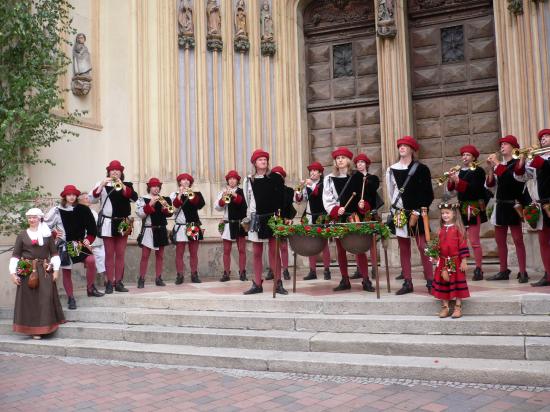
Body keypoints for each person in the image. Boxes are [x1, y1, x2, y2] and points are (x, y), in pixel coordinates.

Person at [385, 136, 434, 295]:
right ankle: (407, 282)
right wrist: (395, 210)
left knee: (423, 247)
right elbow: (391, 193)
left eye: (405, 145)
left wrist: (419, 210)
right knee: (403, 248)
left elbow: (428, 194)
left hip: (418, 212)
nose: (402, 147)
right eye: (400, 145)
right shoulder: (391, 169)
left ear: (412, 149)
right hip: (400, 214)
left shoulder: (422, 169)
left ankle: (430, 281)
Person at [323, 147, 375, 292]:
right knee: (340, 250)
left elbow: (365, 197)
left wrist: (363, 205)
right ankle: (345, 279)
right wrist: (335, 210)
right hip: (339, 217)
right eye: (337, 158)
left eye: (343, 157)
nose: (340, 160)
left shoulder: (358, 177)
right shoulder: (329, 179)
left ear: (348, 161)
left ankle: (366, 279)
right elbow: (327, 199)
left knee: (359, 248)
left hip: (355, 217)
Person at [45, 185, 103, 310]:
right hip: (65, 244)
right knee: (67, 271)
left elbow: (92, 229)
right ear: (64, 196)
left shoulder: (83, 209)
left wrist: (88, 240)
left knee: (91, 261)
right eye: (68, 194)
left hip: (78, 243)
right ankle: (71, 298)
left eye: (73, 194)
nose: (71, 197)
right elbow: (45, 226)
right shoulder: (56, 210)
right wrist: (55, 233)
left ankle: (90, 288)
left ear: (76, 196)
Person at [10, 208, 64, 339]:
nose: (32, 220)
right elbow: (16, 255)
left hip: (44, 269)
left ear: (40, 218)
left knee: (44, 298)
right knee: (30, 300)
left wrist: (56, 271)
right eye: (29, 217)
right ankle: (33, 329)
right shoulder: (22, 235)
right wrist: (13, 273)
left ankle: (44, 327)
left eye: (34, 217)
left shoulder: (47, 235)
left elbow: (54, 253)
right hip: (26, 270)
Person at [243, 149, 288, 295]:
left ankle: (278, 283)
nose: (263, 161)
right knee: (256, 252)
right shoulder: (249, 180)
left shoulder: (275, 177)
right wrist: (248, 217)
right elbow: (247, 200)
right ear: (255, 163)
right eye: (260, 159)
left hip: (272, 217)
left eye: (265, 159)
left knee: (274, 251)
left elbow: (282, 197)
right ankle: (257, 283)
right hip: (256, 217)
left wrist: (283, 216)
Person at [485, 135, 530, 283]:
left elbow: (511, 180)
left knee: (518, 239)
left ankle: (523, 272)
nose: (502, 146)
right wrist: (491, 169)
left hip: (514, 205)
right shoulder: (501, 166)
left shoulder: (517, 163)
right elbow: (491, 186)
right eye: (501, 144)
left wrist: (497, 164)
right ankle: (503, 270)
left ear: (513, 147)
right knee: (500, 240)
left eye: (505, 144)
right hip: (501, 205)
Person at [90, 160, 138, 294]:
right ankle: (109, 282)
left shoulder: (127, 185)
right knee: (109, 255)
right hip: (107, 222)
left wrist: (121, 185)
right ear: (108, 172)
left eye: (118, 170)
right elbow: (92, 199)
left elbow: (134, 198)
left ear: (121, 172)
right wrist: (101, 186)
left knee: (121, 254)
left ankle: (119, 282)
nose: (115, 172)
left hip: (124, 222)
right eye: (112, 170)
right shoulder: (102, 184)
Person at [514, 128, 550, 287]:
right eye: (541, 138)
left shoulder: (542, 159)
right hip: (542, 203)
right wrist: (522, 161)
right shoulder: (538, 159)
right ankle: (548, 274)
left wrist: (536, 158)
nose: (543, 140)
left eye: (547, 137)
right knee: (543, 240)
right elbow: (522, 176)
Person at [446, 145, 488, 281]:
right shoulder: (459, 172)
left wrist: (458, 180)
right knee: (459, 239)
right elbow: (451, 192)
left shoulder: (479, 171)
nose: (464, 157)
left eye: (468, 155)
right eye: (463, 155)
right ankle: (459, 266)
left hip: (473, 208)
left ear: (474, 157)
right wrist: (451, 179)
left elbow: (474, 190)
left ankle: (479, 268)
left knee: (474, 241)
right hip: (461, 208)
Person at [431, 203, 470, 319]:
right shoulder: (441, 230)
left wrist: (464, 260)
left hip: (456, 261)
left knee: (457, 283)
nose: (444, 215)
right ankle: (445, 307)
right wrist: (434, 254)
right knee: (443, 283)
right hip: (443, 262)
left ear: (454, 214)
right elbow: (437, 245)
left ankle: (458, 307)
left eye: (447, 213)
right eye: (443, 213)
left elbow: (463, 245)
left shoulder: (458, 229)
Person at [295, 161, 331, 280]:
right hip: (310, 216)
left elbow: (318, 193)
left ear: (320, 173)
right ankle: (312, 271)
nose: (312, 173)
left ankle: (327, 270)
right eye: (311, 171)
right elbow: (300, 200)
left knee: (324, 243)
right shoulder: (308, 185)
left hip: (321, 216)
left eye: (315, 171)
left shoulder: (324, 183)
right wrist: (299, 190)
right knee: (311, 243)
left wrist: (310, 185)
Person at [136, 178, 173, 288]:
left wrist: (166, 207)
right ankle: (141, 279)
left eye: (158, 186)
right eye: (153, 186)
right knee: (145, 256)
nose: (156, 188)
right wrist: (150, 204)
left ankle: (158, 278)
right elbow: (140, 214)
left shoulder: (165, 199)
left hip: (161, 229)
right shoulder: (143, 199)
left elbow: (169, 214)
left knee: (160, 256)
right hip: (149, 229)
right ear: (149, 187)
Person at [170, 173, 206, 284]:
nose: (185, 181)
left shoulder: (196, 193)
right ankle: (179, 275)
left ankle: (194, 274)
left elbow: (200, 205)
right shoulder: (173, 194)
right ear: (179, 182)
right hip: (180, 226)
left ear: (190, 182)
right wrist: (180, 194)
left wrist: (191, 194)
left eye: (187, 180)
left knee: (193, 252)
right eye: (183, 180)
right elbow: (173, 208)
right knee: (179, 252)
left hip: (193, 226)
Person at [214, 170, 248, 282]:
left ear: (237, 181)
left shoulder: (243, 192)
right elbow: (217, 208)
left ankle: (242, 272)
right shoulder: (223, 192)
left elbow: (244, 205)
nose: (232, 180)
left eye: (234, 178)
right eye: (230, 179)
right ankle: (226, 273)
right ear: (227, 181)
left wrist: (234, 195)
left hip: (239, 224)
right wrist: (223, 199)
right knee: (226, 250)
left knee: (242, 250)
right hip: (228, 223)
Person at [269, 166, 297, 281]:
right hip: (271, 220)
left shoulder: (289, 191)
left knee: (283, 246)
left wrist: (289, 218)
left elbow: (291, 207)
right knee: (272, 248)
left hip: (284, 220)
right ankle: (272, 270)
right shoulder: (268, 190)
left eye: (279, 175)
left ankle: (285, 269)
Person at [79, 193, 106, 280]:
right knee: (92, 261)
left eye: (89, 198)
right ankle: (105, 279)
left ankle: (105, 278)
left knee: (103, 257)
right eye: (86, 198)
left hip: (98, 239)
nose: (89, 199)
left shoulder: (93, 211)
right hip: (87, 241)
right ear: (80, 201)